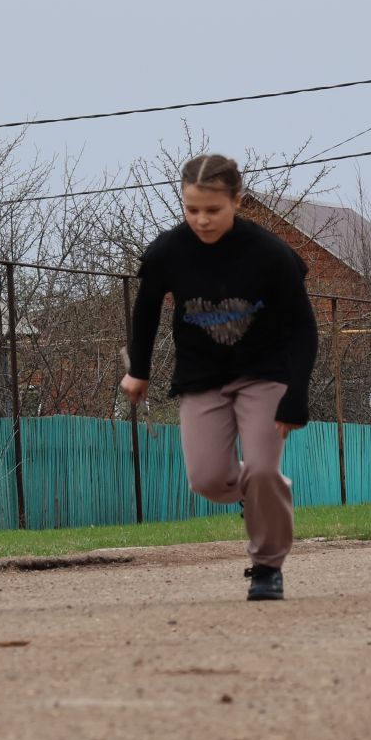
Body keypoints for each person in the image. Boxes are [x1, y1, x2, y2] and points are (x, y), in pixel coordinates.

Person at [121, 155, 318, 602]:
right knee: (207, 480)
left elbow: (303, 328)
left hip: (265, 374)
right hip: (201, 376)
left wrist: (296, 394)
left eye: (213, 210)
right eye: (192, 209)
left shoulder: (270, 254)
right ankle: (260, 490)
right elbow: (146, 309)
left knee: (265, 470)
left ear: (237, 202)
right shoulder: (167, 251)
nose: (202, 220)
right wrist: (139, 369)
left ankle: (267, 566)